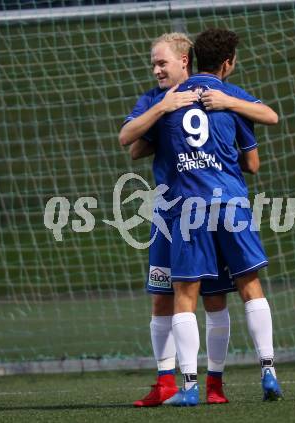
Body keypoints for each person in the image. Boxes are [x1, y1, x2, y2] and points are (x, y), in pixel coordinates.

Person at [119, 32, 278, 407]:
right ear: (227, 62)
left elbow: (136, 146)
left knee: (203, 297)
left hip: (188, 211)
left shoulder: (221, 97)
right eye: (153, 64)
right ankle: (168, 382)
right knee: (165, 297)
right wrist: (162, 110)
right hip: (173, 211)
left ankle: (206, 385)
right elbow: (133, 143)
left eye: (162, 62)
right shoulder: (157, 101)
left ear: (185, 61)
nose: (156, 69)